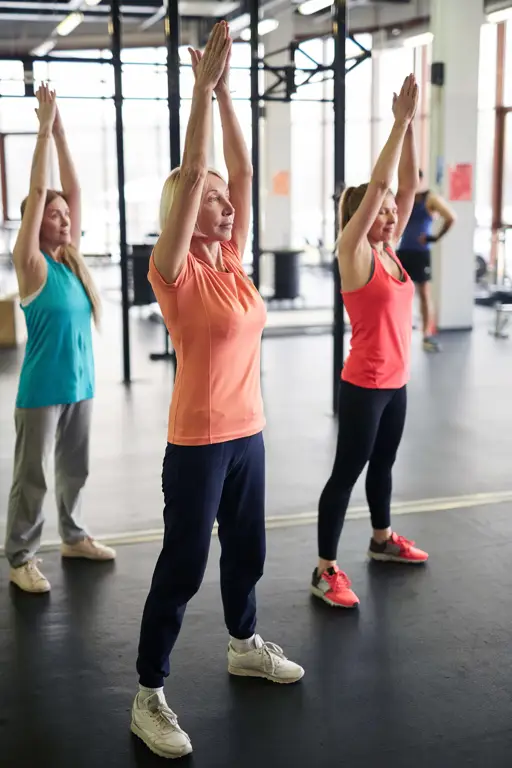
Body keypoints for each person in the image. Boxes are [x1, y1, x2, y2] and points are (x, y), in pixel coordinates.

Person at [131, 22, 304, 760]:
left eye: (226, 203)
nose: (226, 205)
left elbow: (238, 163)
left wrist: (229, 93)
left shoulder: (229, 257)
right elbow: (204, 161)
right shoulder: (174, 270)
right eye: (209, 199)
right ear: (179, 207)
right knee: (183, 565)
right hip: (197, 441)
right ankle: (148, 691)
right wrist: (199, 95)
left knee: (248, 552)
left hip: (248, 432)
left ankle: (243, 642)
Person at [311, 75, 429, 611]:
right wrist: (397, 123)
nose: (390, 214)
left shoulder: (391, 253)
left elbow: (404, 187)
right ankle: (325, 569)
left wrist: (412, 128)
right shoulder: (354, 253)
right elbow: (384, 187)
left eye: (389, 214)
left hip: (397, 383)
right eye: (379, 211)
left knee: (383, 466)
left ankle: (381, 541)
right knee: (346, 474)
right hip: (364, 385)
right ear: (361, 217)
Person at [5, 83, 115, 595]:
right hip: (41, 391)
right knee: (34, 478)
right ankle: (21, 557)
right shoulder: (32, 267)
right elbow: (42, 192)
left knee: (76, 470)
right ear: (35, 222)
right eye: (55, 214)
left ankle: (73, 536)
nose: (66, 217)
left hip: (81, 386)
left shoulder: (71, 263)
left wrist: (64, 133)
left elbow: (75, 191)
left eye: (66, 214)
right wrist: (43, 133)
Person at [397, 169, 457, 352]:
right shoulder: (401, 197)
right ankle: (400, 332)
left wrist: (434, 238)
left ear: (419, 179)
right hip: (403, 251)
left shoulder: (430, 198)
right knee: (398, 294)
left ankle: (426, 335)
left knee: (423, 294)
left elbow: (451, 217)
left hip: (421, 253)